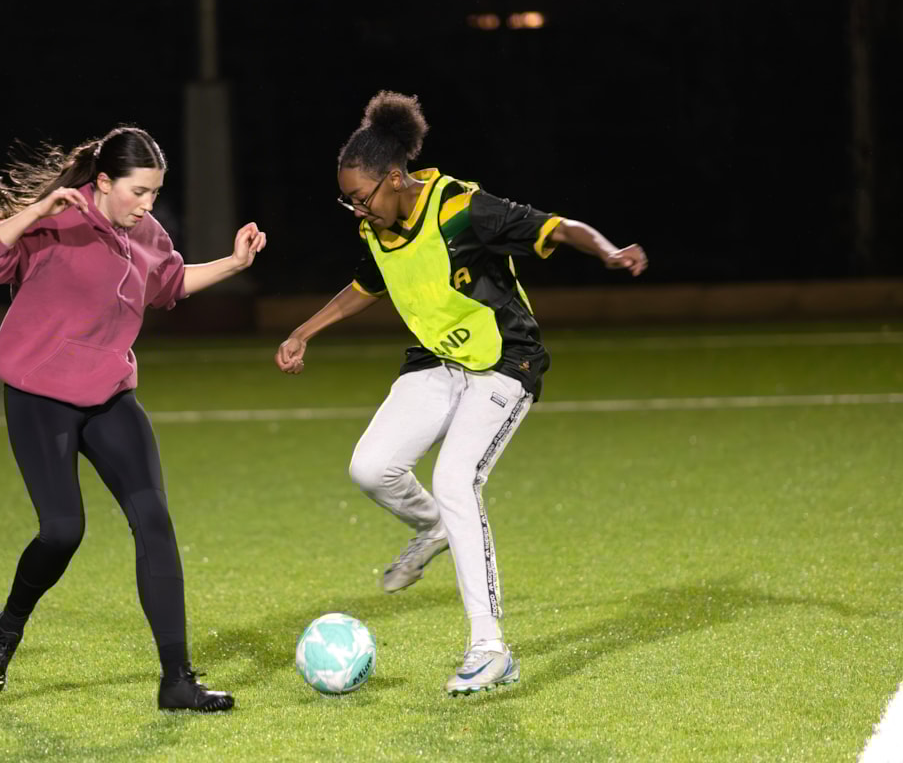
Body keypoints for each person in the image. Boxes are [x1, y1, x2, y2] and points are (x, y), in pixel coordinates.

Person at [274, 92, 647, 696]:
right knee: (371, 468)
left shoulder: (461, 209)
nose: (357, 210)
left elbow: (555, 226)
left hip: (504, 360)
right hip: (438, 361)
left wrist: (606, 250)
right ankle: (438, 527)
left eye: (362, 197)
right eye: (349, 201)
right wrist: (303, 331)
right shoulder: (379, 225)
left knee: (456, 479)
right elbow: (370, 284)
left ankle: (490, 648)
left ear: (395, 179)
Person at [0, 125, 265, 711]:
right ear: (103, 182)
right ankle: (6, 633)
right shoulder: (56, 219)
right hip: (39, 396)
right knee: (62, 533)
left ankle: (177, 680)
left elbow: (170, 282)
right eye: (139, 192)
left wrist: (232, 262)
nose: (149, 205)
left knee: (154, 520)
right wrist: (34, 211)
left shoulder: (145, 232)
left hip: (109, 398)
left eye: (155, 193)